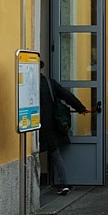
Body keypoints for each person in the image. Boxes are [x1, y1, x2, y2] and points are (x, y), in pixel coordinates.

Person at [39, 62, 89, 195]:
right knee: (55, 153)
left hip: (35, 124)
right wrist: (80, 108)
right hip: (52, 123)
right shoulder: (49, 83)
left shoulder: (27, 85)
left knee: (35, 154)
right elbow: (67, 96)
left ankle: (60, 183)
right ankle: (64, 183)